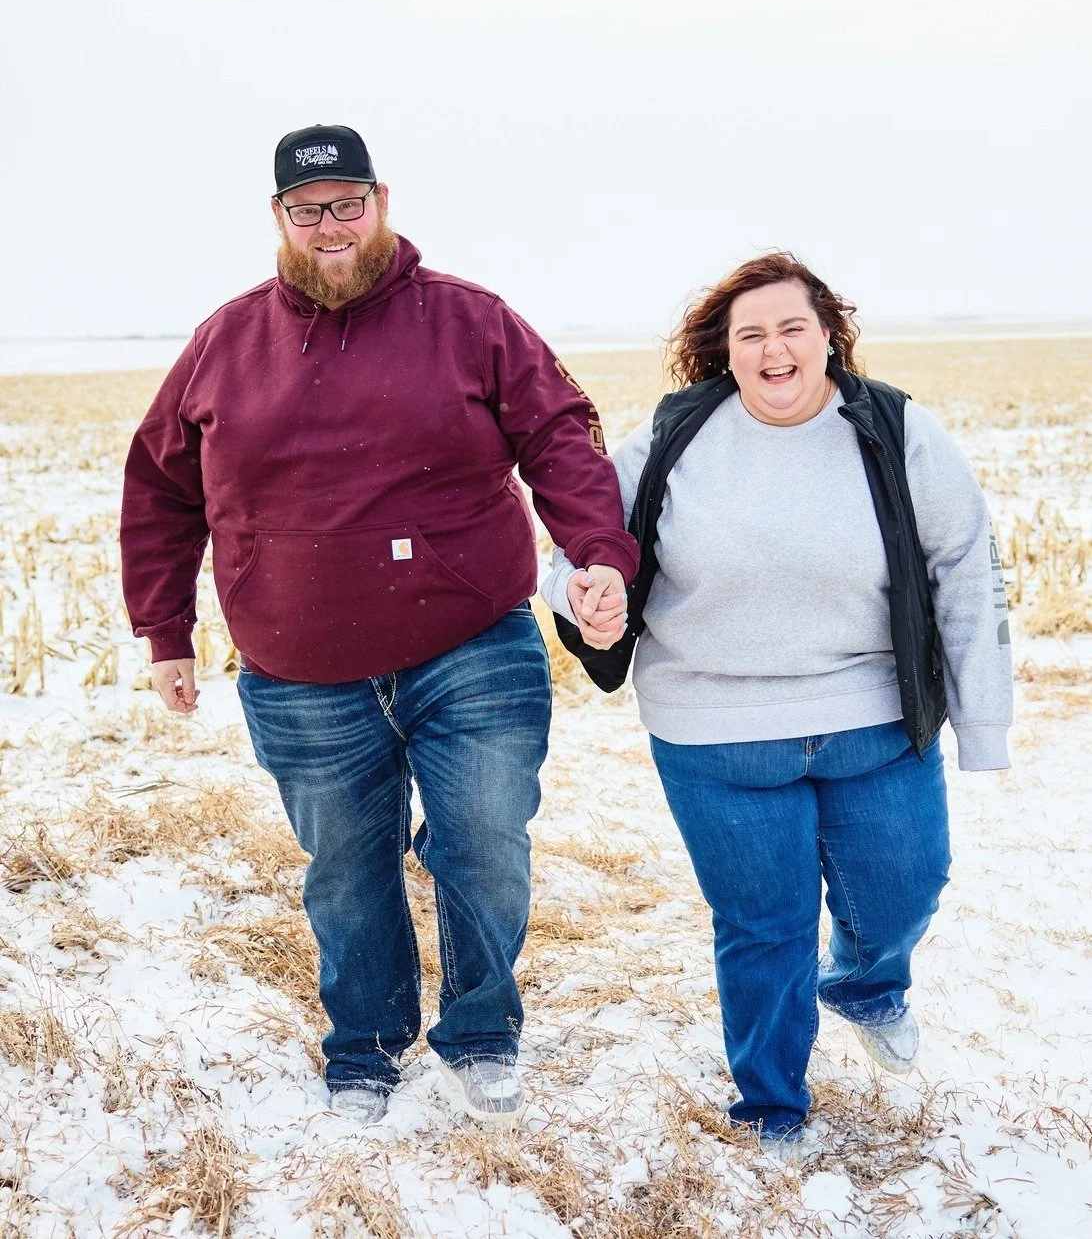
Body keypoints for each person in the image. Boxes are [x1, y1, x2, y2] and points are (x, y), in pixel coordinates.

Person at [120, 123, 637, 1124]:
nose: (329, 226)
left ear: (381, 203)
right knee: (348, 871)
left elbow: (562, 439)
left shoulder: (472, 321)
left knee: (484, 841)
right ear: (278, 218)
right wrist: (166, 631)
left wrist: (599, 556)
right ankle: (366, 1042)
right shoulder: (225, 342)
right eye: (307, 210)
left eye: (346, 203)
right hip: (299, 668)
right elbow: (159, 487)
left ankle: (482, 1031)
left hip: (471, 645)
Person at [543, 252, 1013, 1146]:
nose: (774, 349)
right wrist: (584, 592)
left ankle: (868, 983)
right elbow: (582, 541)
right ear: (724, 352)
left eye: (792, 327)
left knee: (906, 889)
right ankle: (771, 1105)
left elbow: (965, 566)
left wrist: (983, 723)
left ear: (829, 334)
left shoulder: (894, 428)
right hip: (715, 730)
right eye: (749, 334)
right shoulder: (676, 437)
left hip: (872, 715)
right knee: (765, 927)